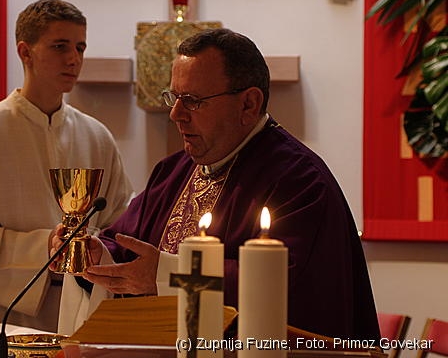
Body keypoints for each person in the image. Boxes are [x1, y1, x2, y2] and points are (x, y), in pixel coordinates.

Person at [54, 28, 380, 341]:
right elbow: (125, 248)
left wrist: (168, 275)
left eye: (192, 100)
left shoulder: (300, 181)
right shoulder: (173, 172)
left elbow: (285, 287)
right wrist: (96, 256)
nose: (176, 114)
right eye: (174, 97)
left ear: (249, 104)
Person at [0, 0, 134, 332]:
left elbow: (120, 223)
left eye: (80, 47)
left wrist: (96, 248)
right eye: (60, 46)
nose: (74, 59)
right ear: (25, 52)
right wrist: (44, 247)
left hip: (80, 309)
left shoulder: (96, 137)